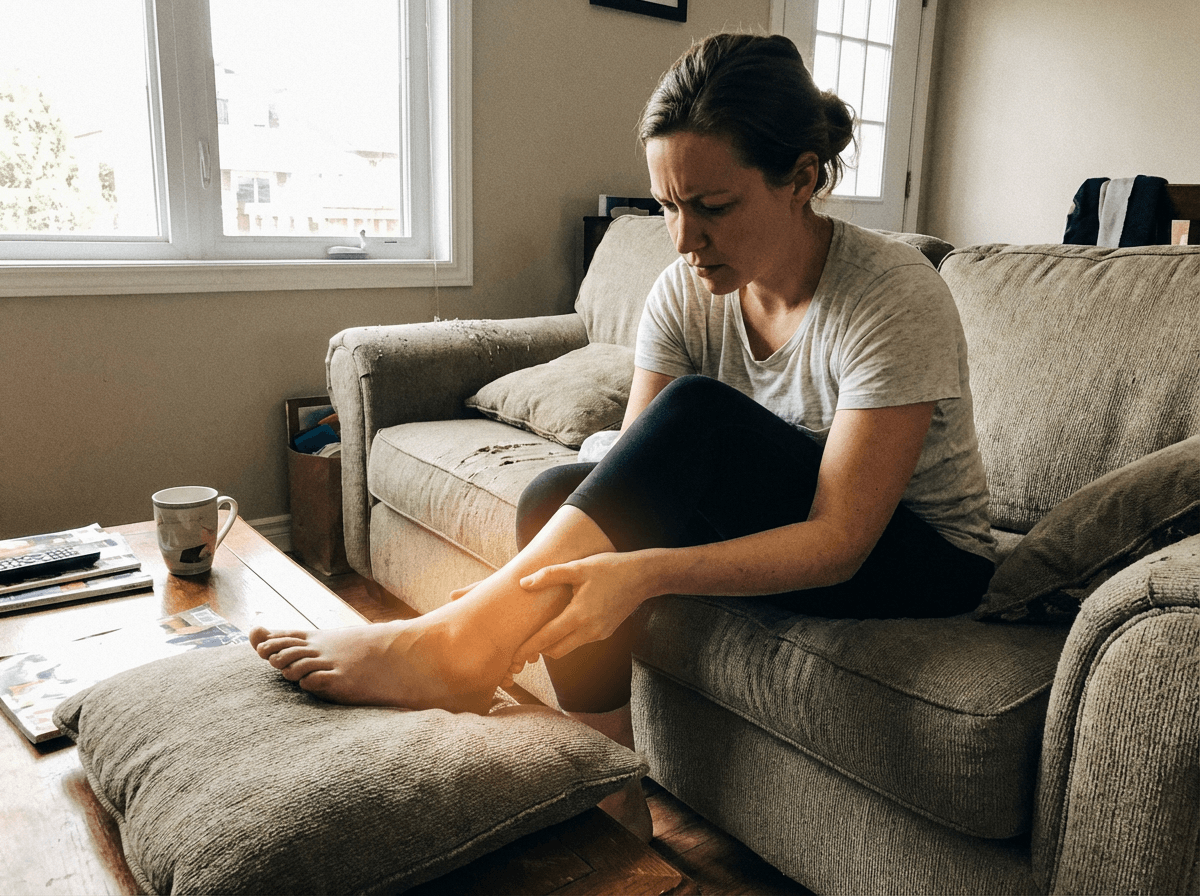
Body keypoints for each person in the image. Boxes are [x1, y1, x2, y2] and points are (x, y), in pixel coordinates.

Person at [249, 32, 996, 841]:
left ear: (802, 179)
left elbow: (840, 541)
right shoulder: (686, 288)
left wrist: (635, 575)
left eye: (712, 207)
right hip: (788, 525)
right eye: (668, 206)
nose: (683, 239)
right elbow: (639, 472)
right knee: (553, 493)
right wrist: (565, 565)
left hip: (918, 559)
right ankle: (611, 793)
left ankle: (463, 645)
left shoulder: (891, 295)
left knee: (698, 412)